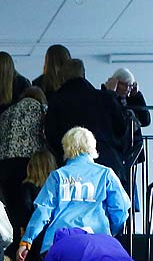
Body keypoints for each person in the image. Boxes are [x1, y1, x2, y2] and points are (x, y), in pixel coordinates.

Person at [17, 127, 131, 261]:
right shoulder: (106, 174)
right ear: (92, 146)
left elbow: (43, 210)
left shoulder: (58, 176)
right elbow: (121, 209)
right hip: (96, 244)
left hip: (59, 244)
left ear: (66, 148)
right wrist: (109, 231)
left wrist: (26, 241)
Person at [43, 59, 136, 192]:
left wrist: (62, 155)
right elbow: (121, 127)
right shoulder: (103, 98)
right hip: (107, 163)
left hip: (73, 169)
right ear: (84, 74)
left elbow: (51, 134)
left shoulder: (56, 100)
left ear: (62, 76)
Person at [0, 87, 49, 231]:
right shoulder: (40, 108)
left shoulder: (7, 112)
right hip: (26, 163)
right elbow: (46, 133)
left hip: (2, 164)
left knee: (11, 209)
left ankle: (14, 240)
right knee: (25, 203)